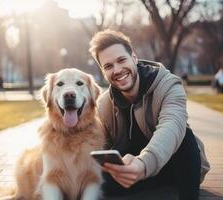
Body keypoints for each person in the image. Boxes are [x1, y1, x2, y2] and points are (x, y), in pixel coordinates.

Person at [89, 29, 210, 200]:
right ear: (103, 71)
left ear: (134, 58)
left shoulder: (169, 85)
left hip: (175, 168)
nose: (117, 70)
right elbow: (99, 147)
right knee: (96, 182)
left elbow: (172, 126)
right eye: (108, 66)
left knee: (184, 137)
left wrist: (143, 163)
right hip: (135, 172)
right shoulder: (103, 105)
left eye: (121, 60)